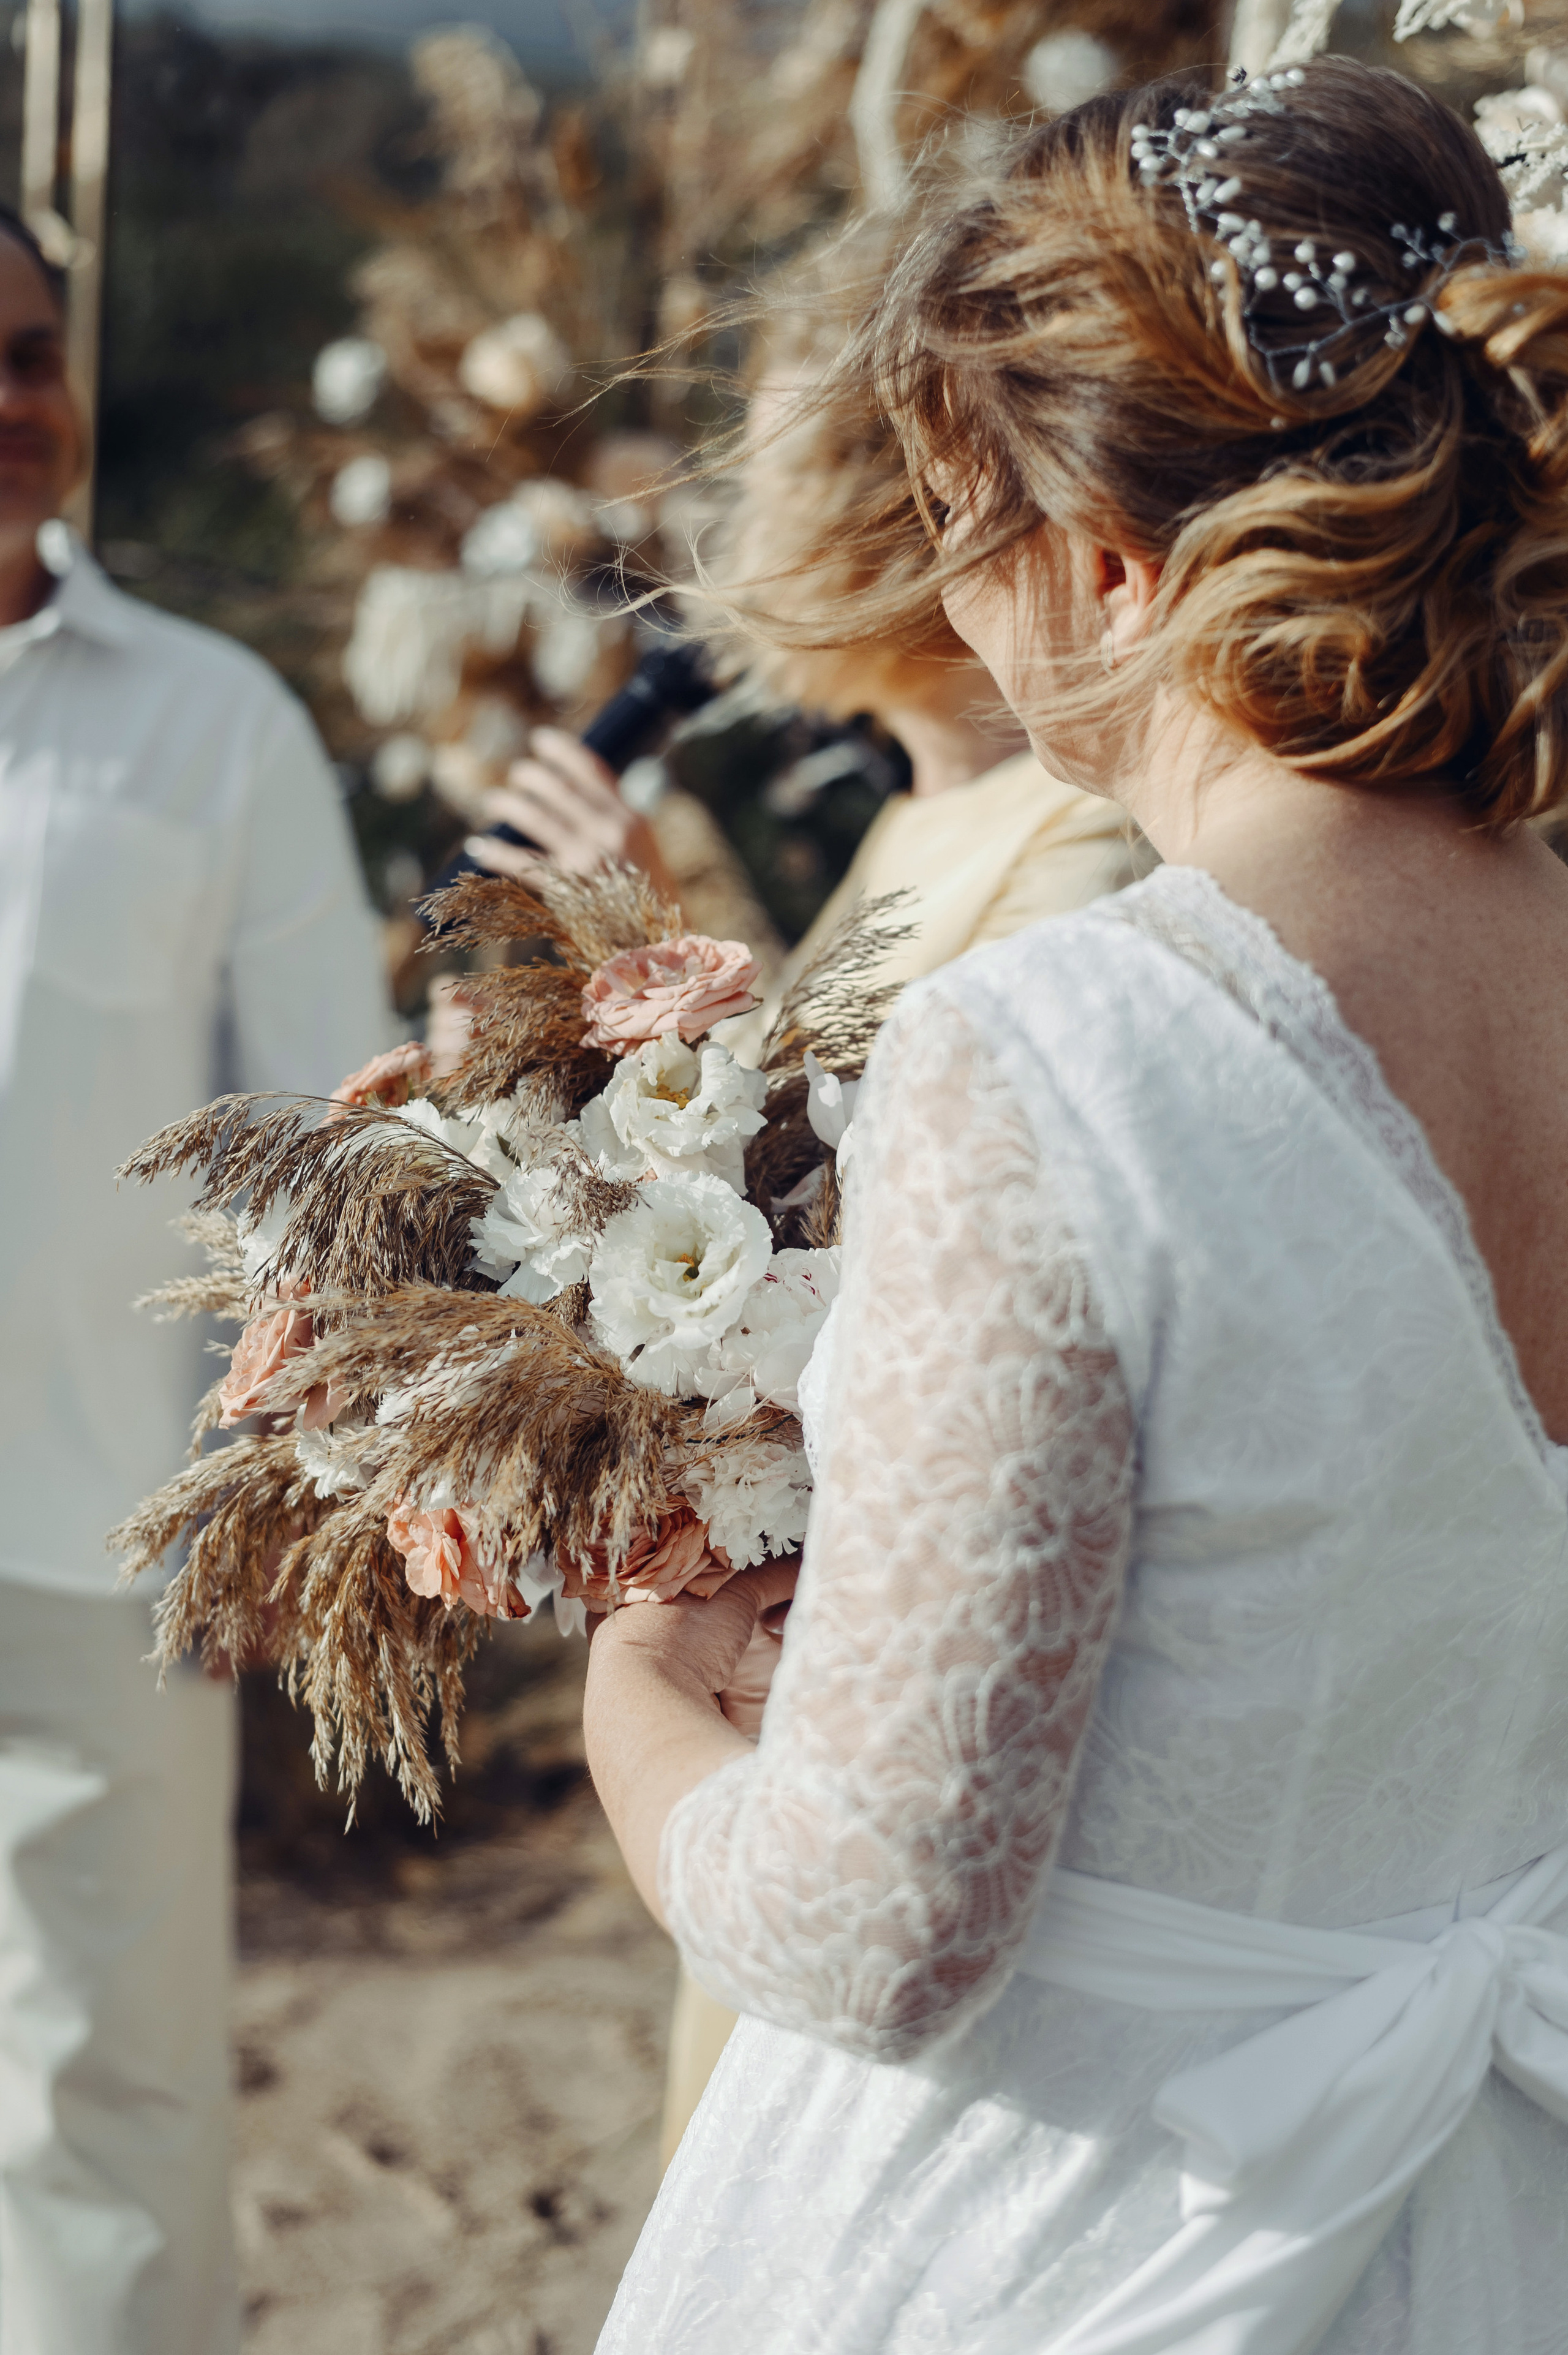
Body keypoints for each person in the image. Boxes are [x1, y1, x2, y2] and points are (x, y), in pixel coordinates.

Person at [585, 56, 1568, 2352]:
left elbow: (877, 1928)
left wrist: (645, 1685)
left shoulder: (1065, 1060)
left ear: (1100, 555)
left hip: (1084, 2244)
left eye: (959, 517)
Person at [472, 244, 1144, 2167]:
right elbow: (826, 1096)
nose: (729, 552)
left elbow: (905, 1211)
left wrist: (626, 971)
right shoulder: (912, 818)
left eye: (769, 479)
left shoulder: (1075, 839)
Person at [0, 209, 392, 2353]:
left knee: (111, 2091)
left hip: (106, 1530)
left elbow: (315, 1145)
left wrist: (264, 1492)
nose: (7, 403)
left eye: (29, 354)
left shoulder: (214, 722)